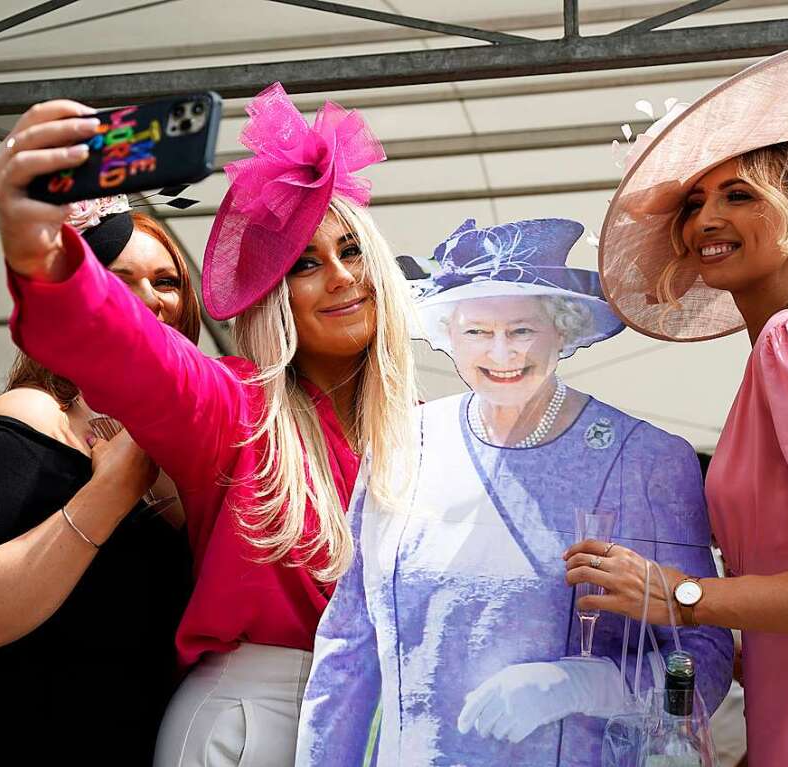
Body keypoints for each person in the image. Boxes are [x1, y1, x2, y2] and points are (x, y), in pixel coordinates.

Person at [0, 83, 418, 766]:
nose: (341, 277)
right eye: (305, 263)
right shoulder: (234, 407)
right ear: (274, 295)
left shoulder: (431, 437)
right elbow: (133, 352)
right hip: (251, 722)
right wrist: (43, 253)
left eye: (352, 250)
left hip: (387, 720)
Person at [296, 218, 733, 766]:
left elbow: (704, 655)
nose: (501, 353)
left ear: (563, 327)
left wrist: (585, 684)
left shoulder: (644, 460)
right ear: (447, 334)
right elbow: (348, 649)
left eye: (522, 329)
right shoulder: (401, 443)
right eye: (477, 331)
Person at [569, 38, 788, 766]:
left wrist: (678, 593)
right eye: (694, 201)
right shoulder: (776, 357)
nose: (705, 218)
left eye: (739, 194)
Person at [0, 198, 198, 765]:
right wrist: (111, 491)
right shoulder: (30, 416)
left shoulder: (186, 444)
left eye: (165, 281)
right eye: (120, 281)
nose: (149, 299)